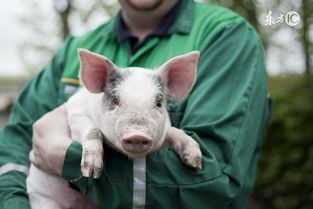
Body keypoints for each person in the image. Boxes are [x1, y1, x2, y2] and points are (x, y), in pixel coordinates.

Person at [0, 0, 271, 209]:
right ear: (94, 75)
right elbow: (13, 147)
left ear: (179, 80)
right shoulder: (76, 49)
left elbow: (212, 181)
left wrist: (67, 160)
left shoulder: (225, 36)